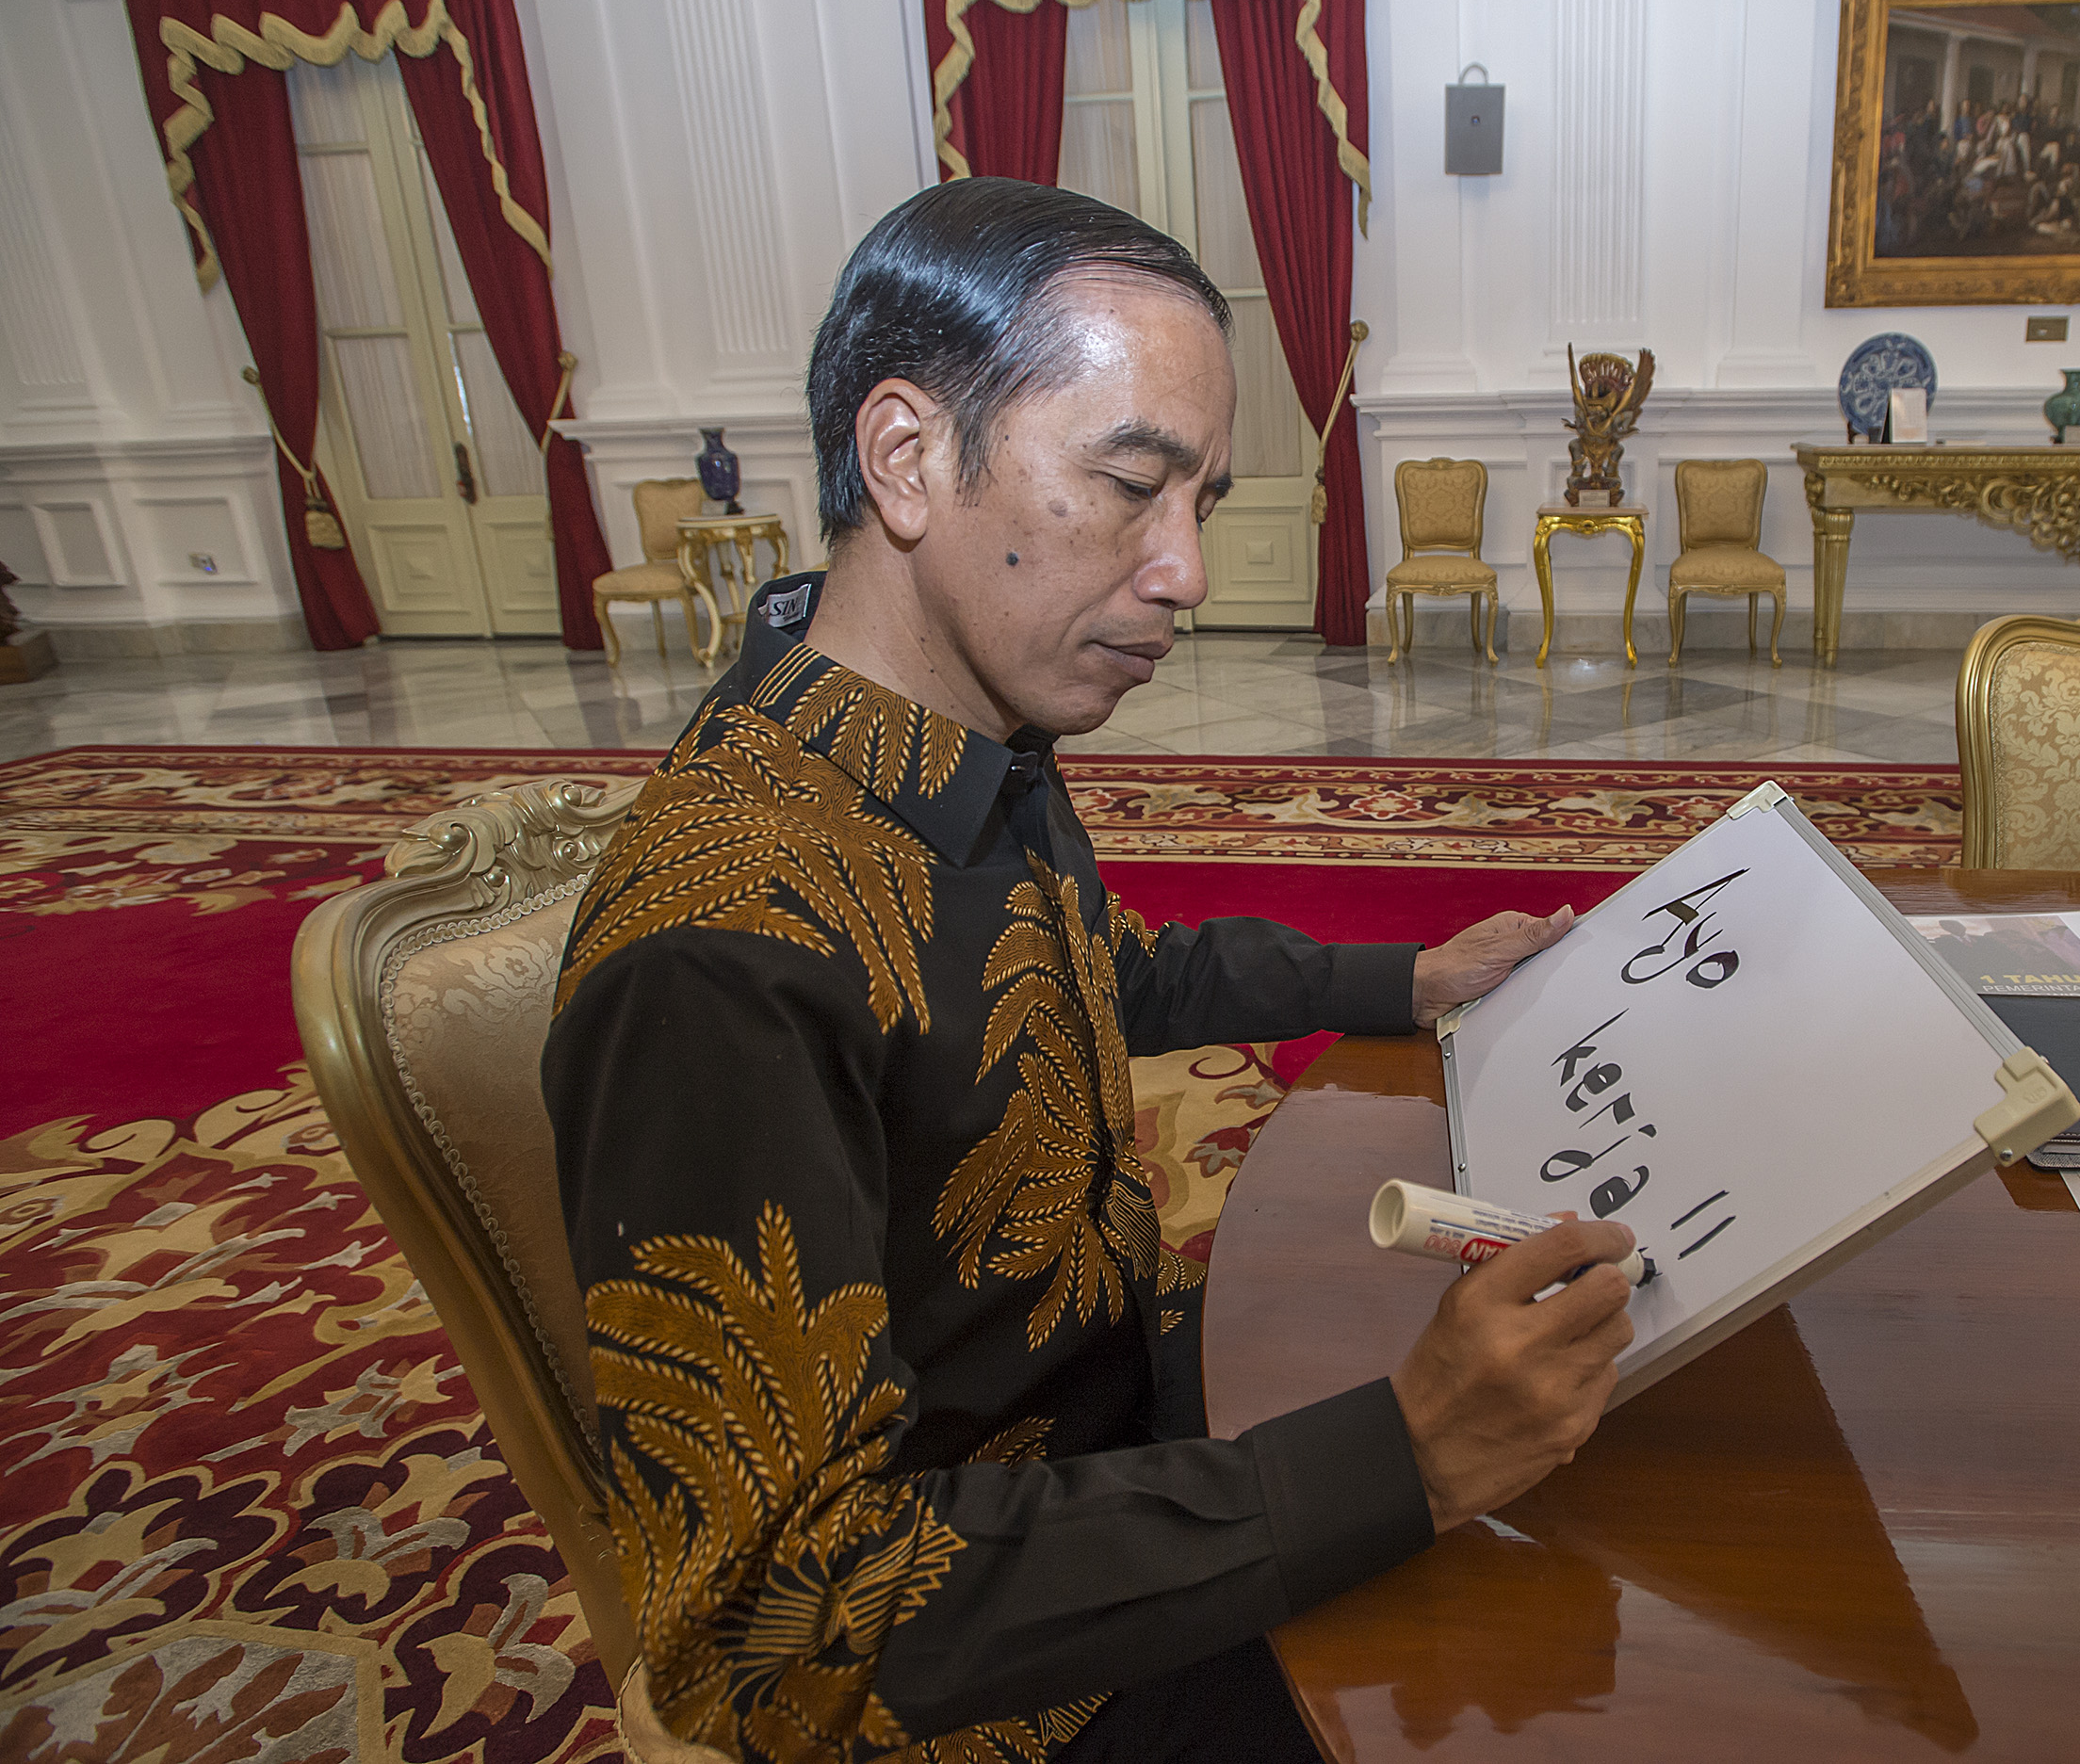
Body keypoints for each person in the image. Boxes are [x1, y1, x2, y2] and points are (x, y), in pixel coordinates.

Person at [543, 179, 1639, 1764]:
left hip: (1111, 1428)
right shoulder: (724, 946)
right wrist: (1397, 1457)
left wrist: (1402, 976)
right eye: (1130, 486)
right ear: (908, 456)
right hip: (999, 1678)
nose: (1185, 570)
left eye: (1201, 500)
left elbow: (1100, 972)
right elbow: (782, 1629)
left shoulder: (959, 735)